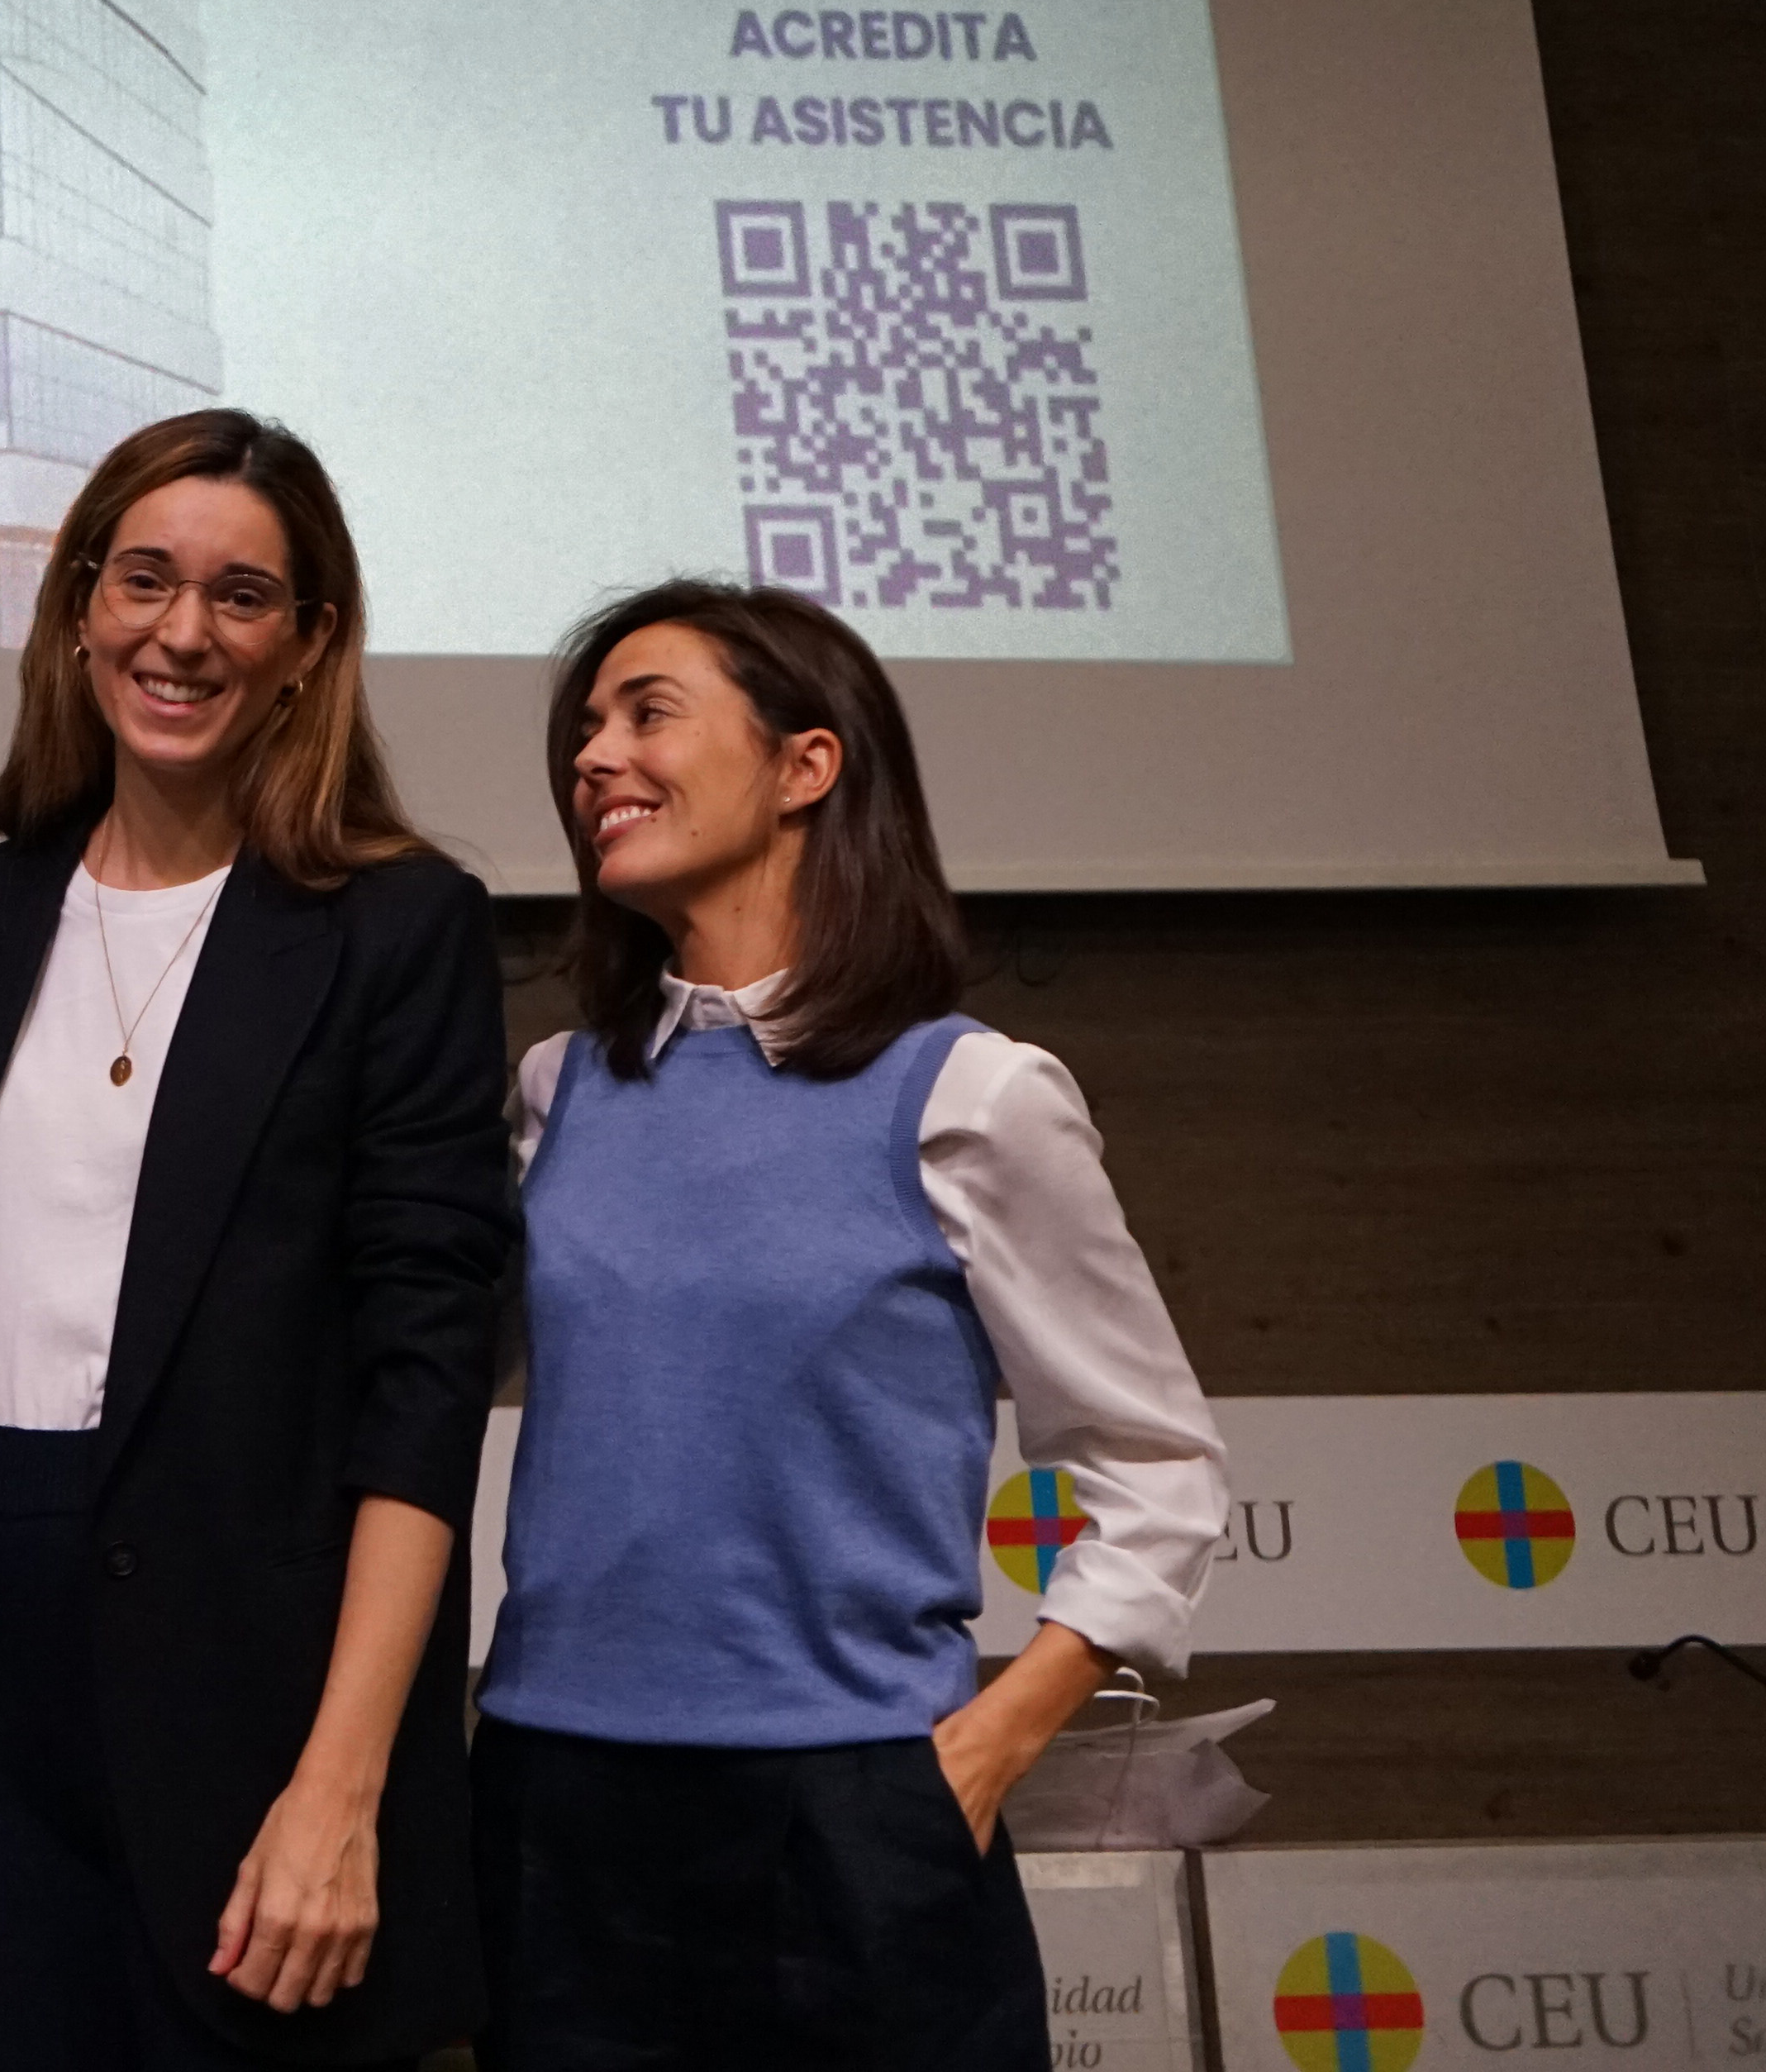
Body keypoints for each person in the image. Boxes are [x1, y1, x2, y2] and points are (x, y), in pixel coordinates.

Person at [478, 578, 1229, 2072]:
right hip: (553, 1806)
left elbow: (1160, 1468)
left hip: (852, 1822)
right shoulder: (555, 1089)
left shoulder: (975, 1095)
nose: (594, 757)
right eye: (586, 730)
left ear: (806, 765)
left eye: (647, 714)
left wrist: (989, 1743)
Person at [0, 409, 515, 2071]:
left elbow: (423, 1382)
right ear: (80, 607)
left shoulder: (398, 924)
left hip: (255, 1716)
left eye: (241, 594)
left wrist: (343, 1783)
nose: (183, 631)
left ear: (308, 646)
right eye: (144, 578)